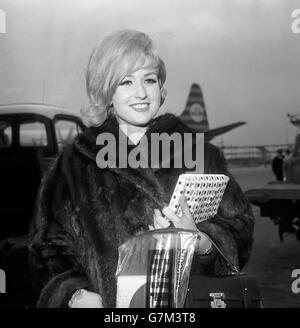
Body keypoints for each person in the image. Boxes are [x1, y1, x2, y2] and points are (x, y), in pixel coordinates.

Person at [28, 29, 254, 308]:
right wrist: (74, 295)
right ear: (106, 91)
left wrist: (201, 240)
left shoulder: (199, 153)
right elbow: (47, 248)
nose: (141, 93)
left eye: (149, 79)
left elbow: (239, 230)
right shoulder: (74, 165)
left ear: (160, 86)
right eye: (126, 82)